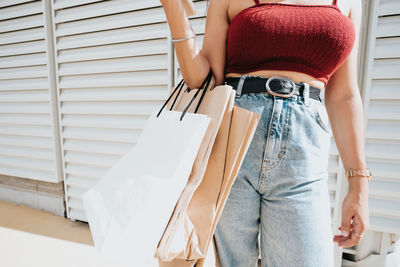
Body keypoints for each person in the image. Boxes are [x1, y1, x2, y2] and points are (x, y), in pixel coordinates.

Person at [160, 0, 371, 266]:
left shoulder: (350, 3)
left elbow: (344, 96)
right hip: (231, 148)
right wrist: (173, 10)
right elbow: (206, 83)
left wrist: (359, 185)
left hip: (303, 158)